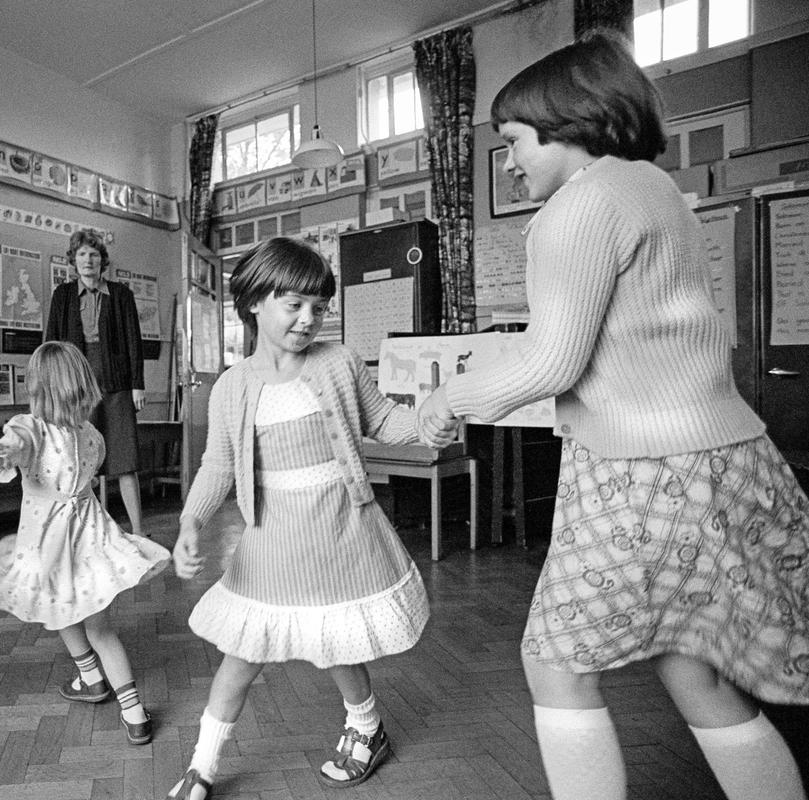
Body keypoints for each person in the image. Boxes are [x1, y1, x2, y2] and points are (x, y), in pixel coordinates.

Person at [417, 31, 808, 800]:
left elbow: (549, 362)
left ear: (568, 123)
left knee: (554, 663)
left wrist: (445, 398)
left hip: (642, 477)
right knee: (692, 664)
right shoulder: (650, 187)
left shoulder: (579, 206)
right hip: (724, 459)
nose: (508, 161)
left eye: (513, 141)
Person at [168, 237, 431, 800]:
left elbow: (384, 419)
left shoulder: (338, 362)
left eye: (319, 306)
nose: (309, 319)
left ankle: (367, 730)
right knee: (242, 655)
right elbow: (218, 463)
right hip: (273, 541)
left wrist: (429, 424)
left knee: (338, 642)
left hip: (341, 530)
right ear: (256, 302)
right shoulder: (232, 387)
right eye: (294, 304)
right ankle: (202, 765)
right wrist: (190, 523)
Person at [0, 341, 170, 744]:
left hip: (49, 543)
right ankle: (132, 712)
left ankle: (91, 676)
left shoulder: (30, 429)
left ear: (36, 387)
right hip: (92, 539)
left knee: (56, 607)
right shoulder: (90, 434)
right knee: (97, 626)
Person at [45, 230, 146, 536]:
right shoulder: (62, 295)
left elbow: (133, 342)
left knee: (125, 460)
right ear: (73, 261)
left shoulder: (121, 294)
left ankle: (139, 531)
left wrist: (137, 385)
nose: (88, 261)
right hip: (77, 388)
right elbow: (52, 342)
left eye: (94, 255)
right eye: (82, 255)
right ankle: (87, 533)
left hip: (116, 384)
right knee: (80, 462)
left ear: (103, 260)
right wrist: (54, 387)